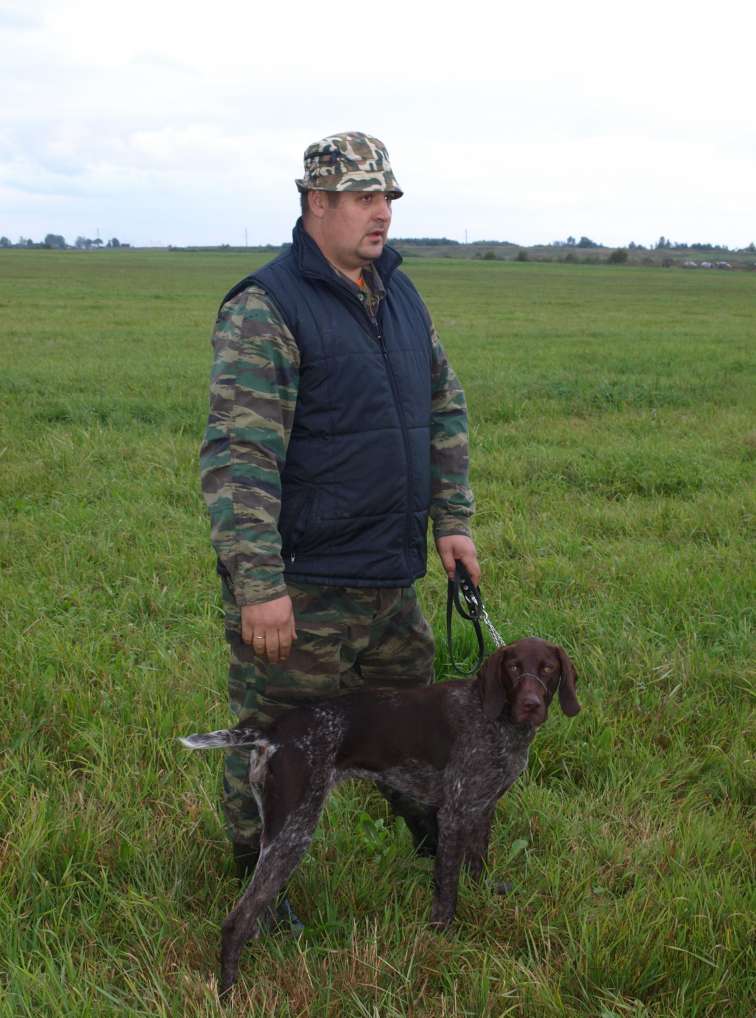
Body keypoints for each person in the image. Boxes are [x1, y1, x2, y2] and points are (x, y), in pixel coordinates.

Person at [199, 131, 479, 921]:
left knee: (414, 724)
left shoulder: (400, 295)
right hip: (306, 585)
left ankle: (436, 845)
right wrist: (260, 585)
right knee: (276, 740)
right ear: (316, 202)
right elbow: (240, 458)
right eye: (363, 197)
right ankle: (259, 884)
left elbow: (443, 409)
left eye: (386, 197)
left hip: (390, 578)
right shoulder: (268, 307)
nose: (380, 213)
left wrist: (453, 520)